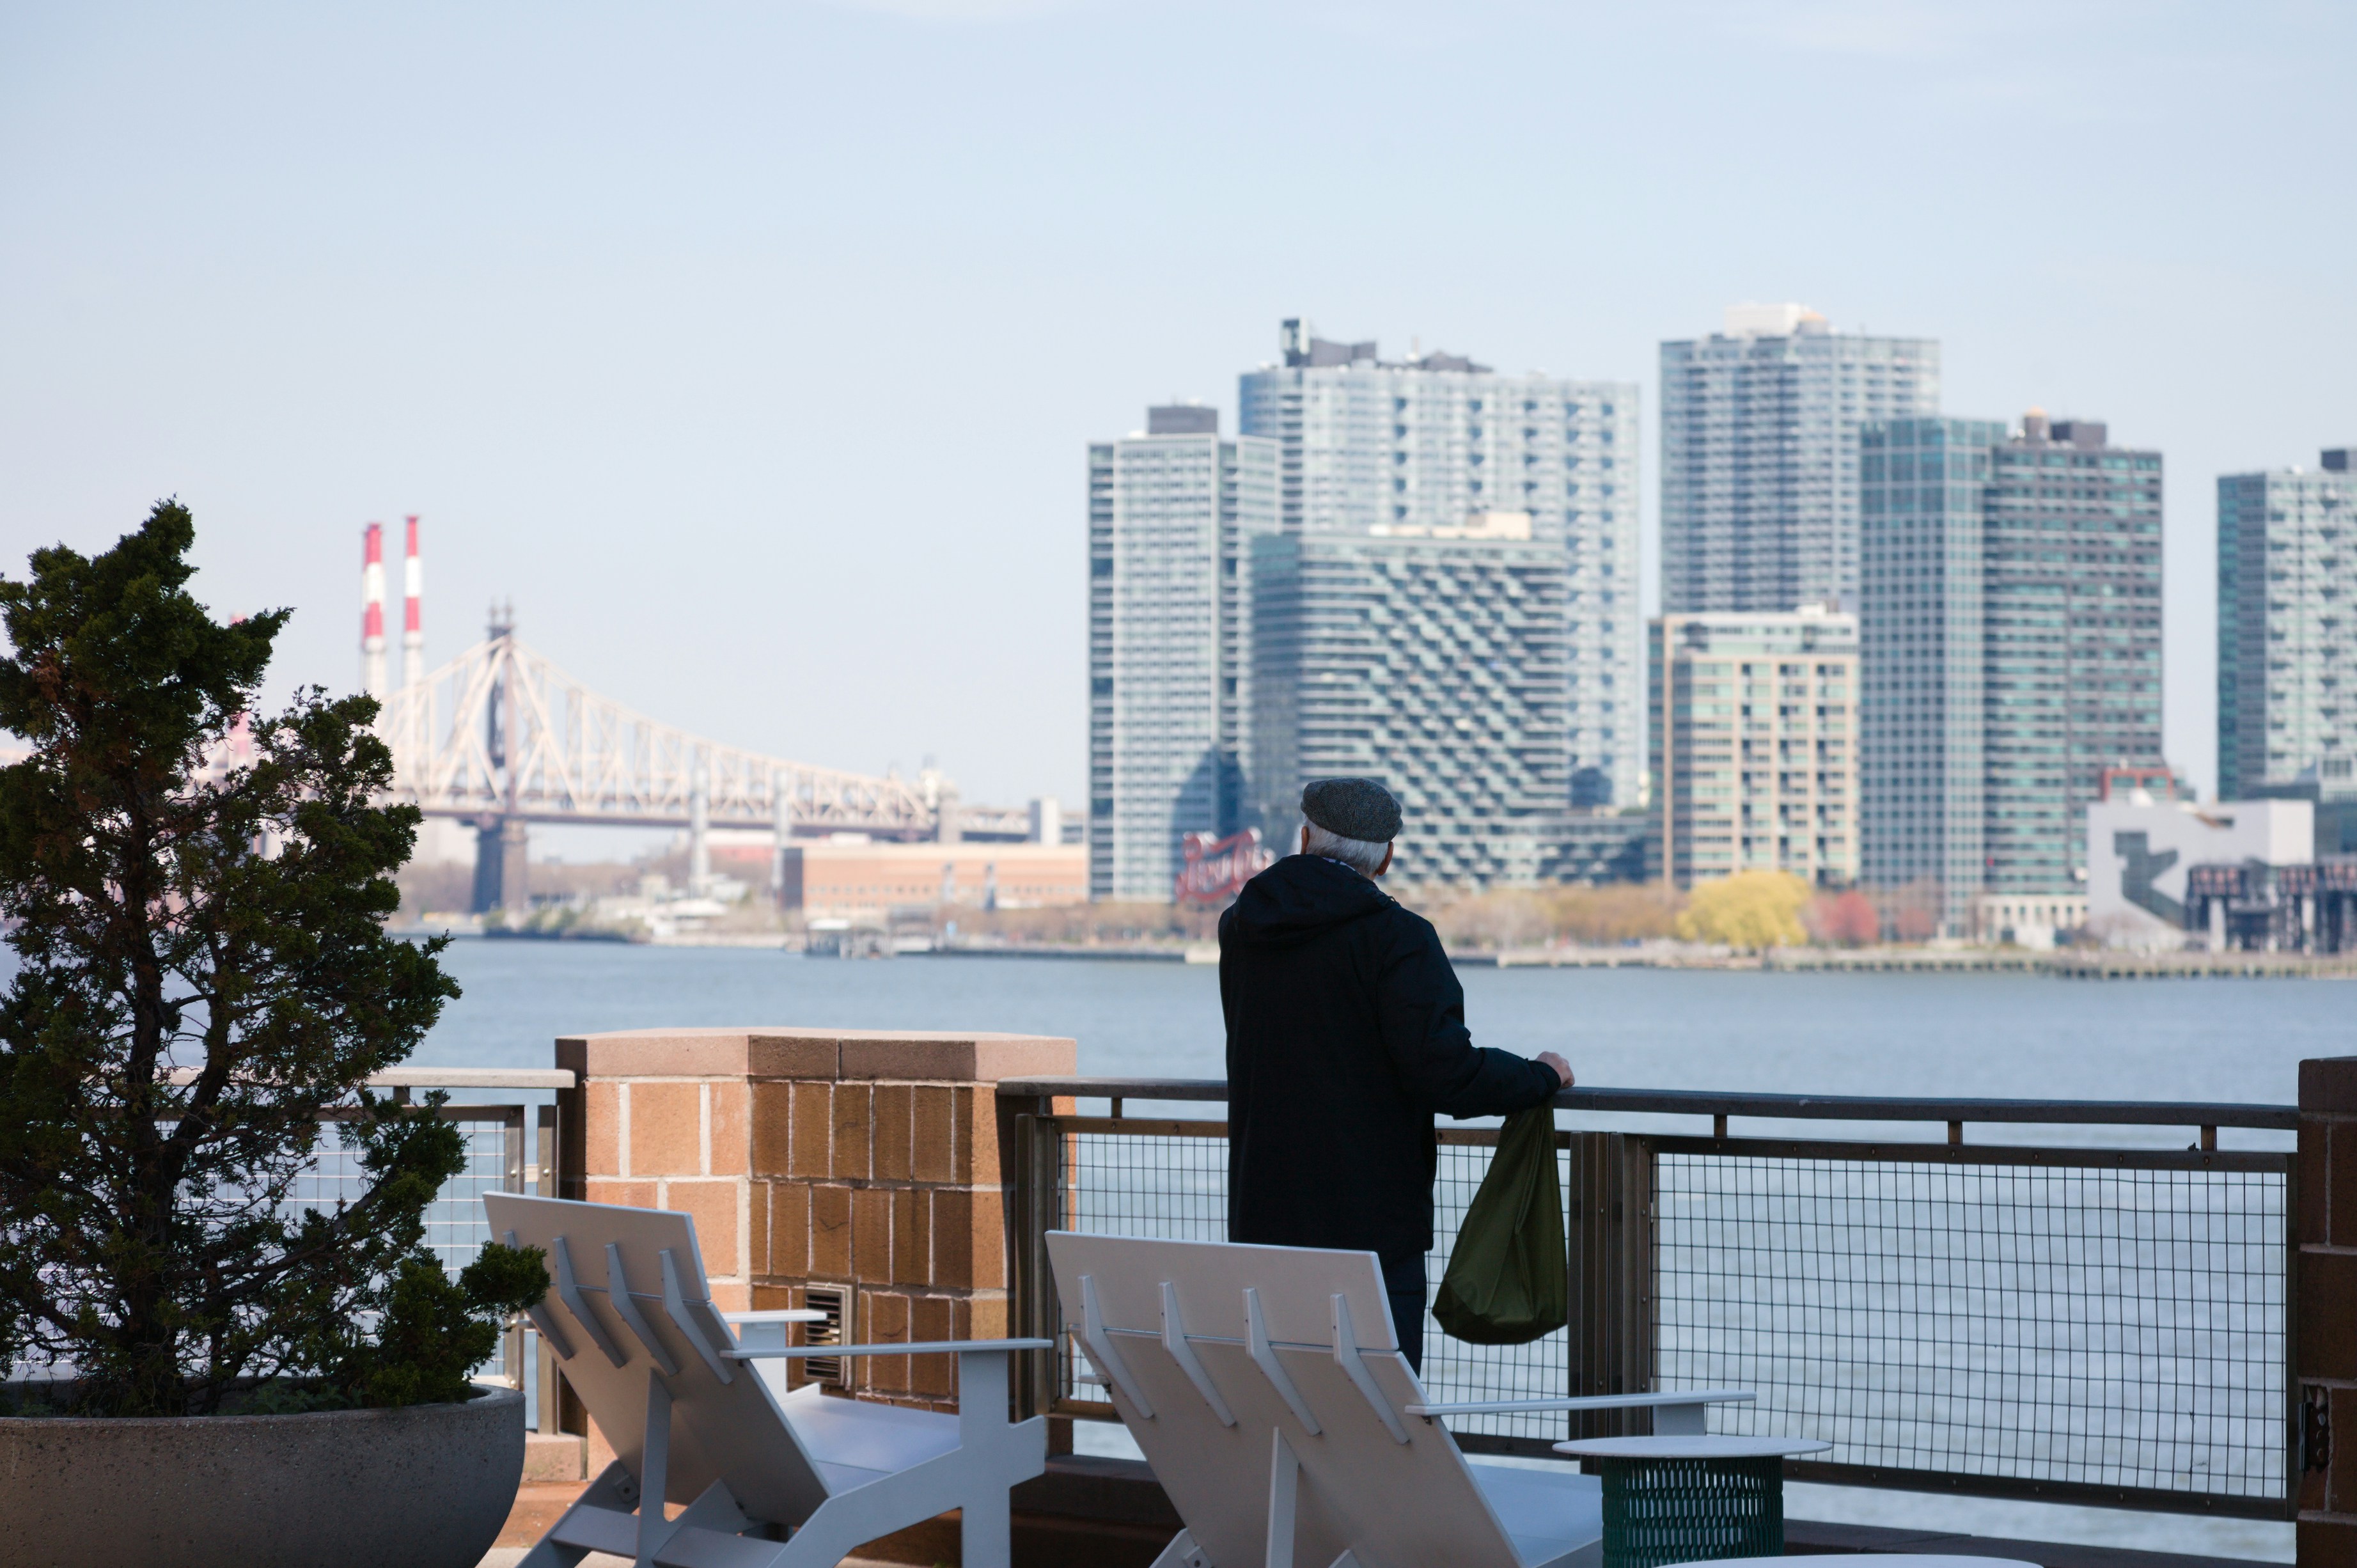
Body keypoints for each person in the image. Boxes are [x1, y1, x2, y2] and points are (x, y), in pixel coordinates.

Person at [1219, 777, 1573, 1374]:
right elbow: (1446, 1073)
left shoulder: (1241, 927)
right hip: (1371, 1227)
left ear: (1304, 838)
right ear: (1386, 857)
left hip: (1264, 1213)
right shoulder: (1399, 939)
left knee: (1286, 1394)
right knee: (1384, 1411)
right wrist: (1540, 1076)